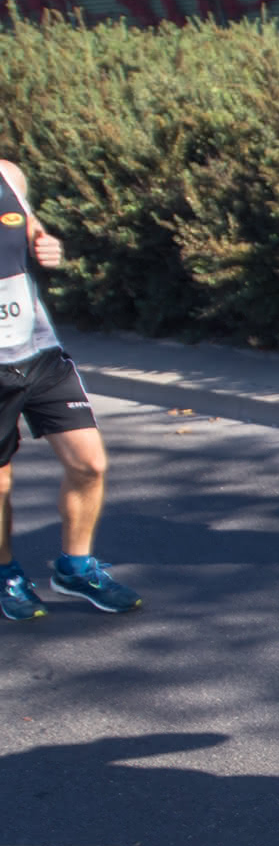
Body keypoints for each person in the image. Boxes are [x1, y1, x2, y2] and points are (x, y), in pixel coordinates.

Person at [0, 159, 142, 621]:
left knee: (90, 464)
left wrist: (46, 244)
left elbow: (32, 227)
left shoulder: (8, 175)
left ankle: (74, 569)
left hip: (40, 353)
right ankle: (6, 575)